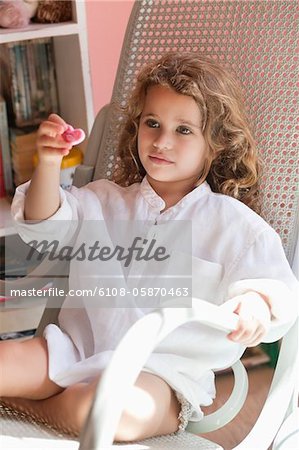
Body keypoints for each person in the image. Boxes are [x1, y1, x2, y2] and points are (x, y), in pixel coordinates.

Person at [1, 53, 297, 441]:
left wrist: (256, 304)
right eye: (152, 123)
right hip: (74, 350)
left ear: (214, 145)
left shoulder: (234, 224)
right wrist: (49, 162)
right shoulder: (103, 201)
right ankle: (51, 402)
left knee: (109, 412)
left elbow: (274, 288)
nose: (161, 141)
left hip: (159, 376)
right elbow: (43, 223)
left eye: (184, 130)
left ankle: (23, 407)